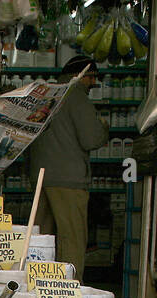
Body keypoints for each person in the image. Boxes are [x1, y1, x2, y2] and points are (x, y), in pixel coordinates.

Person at [26, 55, 107, 279]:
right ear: (81, 75)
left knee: (41, 240)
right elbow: (91, 139)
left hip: (41, 177)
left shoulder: (48, 95)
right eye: (92, 78)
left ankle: (38, 287)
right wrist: (104, 128)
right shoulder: (76, 96)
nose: (93, 84)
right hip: (68, 180)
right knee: (71, 239)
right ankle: (69, 292)